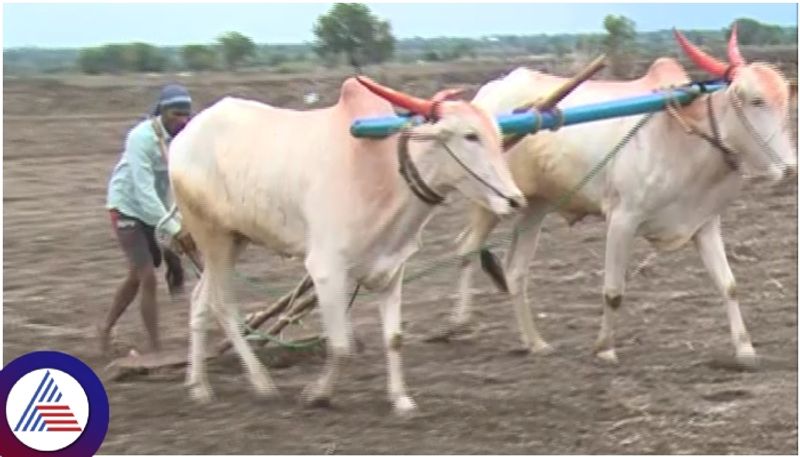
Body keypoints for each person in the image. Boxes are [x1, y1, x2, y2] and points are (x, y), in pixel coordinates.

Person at [100, 83, 197, 356]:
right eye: (177, 114)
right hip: (126, 208)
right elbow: (144, 192)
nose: (183, 120)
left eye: (187, 115)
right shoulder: (140, 138)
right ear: (161, 113)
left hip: (154, 210)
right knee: (148, 278)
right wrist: (175, 230)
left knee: (135, 276)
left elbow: (173, 186)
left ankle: (105, 327)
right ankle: (156, 349)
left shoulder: (182, 139)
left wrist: (180, 224)